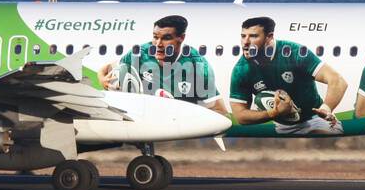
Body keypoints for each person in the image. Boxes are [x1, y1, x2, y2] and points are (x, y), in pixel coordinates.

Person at [228, 16, 346, 135]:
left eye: (253, 36)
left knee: (319, 142)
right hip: (283, 125)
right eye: (243, 36)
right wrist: (274, 113)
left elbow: (338, 81)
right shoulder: (241, 70)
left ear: (269, 37)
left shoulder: (295, 53)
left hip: (316, 118)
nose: (246, 42)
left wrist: (326, 109)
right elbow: (240, 116)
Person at [99, 14, 228, 114]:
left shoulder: (196, 65)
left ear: (181, 38)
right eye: (155, 37)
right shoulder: (141, 53)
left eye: (166, 38)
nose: (158, 44)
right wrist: (102, 79)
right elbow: (107, 68)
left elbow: (221, 112)